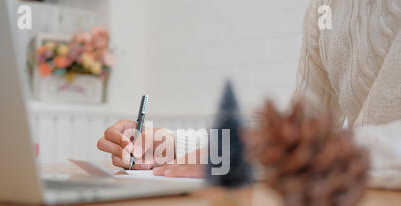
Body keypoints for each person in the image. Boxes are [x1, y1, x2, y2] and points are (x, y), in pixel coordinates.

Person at [97, 0, 401, 188]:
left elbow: (289, 145)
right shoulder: (324, 10)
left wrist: (265, 150)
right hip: (359, 204)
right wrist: (171, 146)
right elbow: (299, 133)